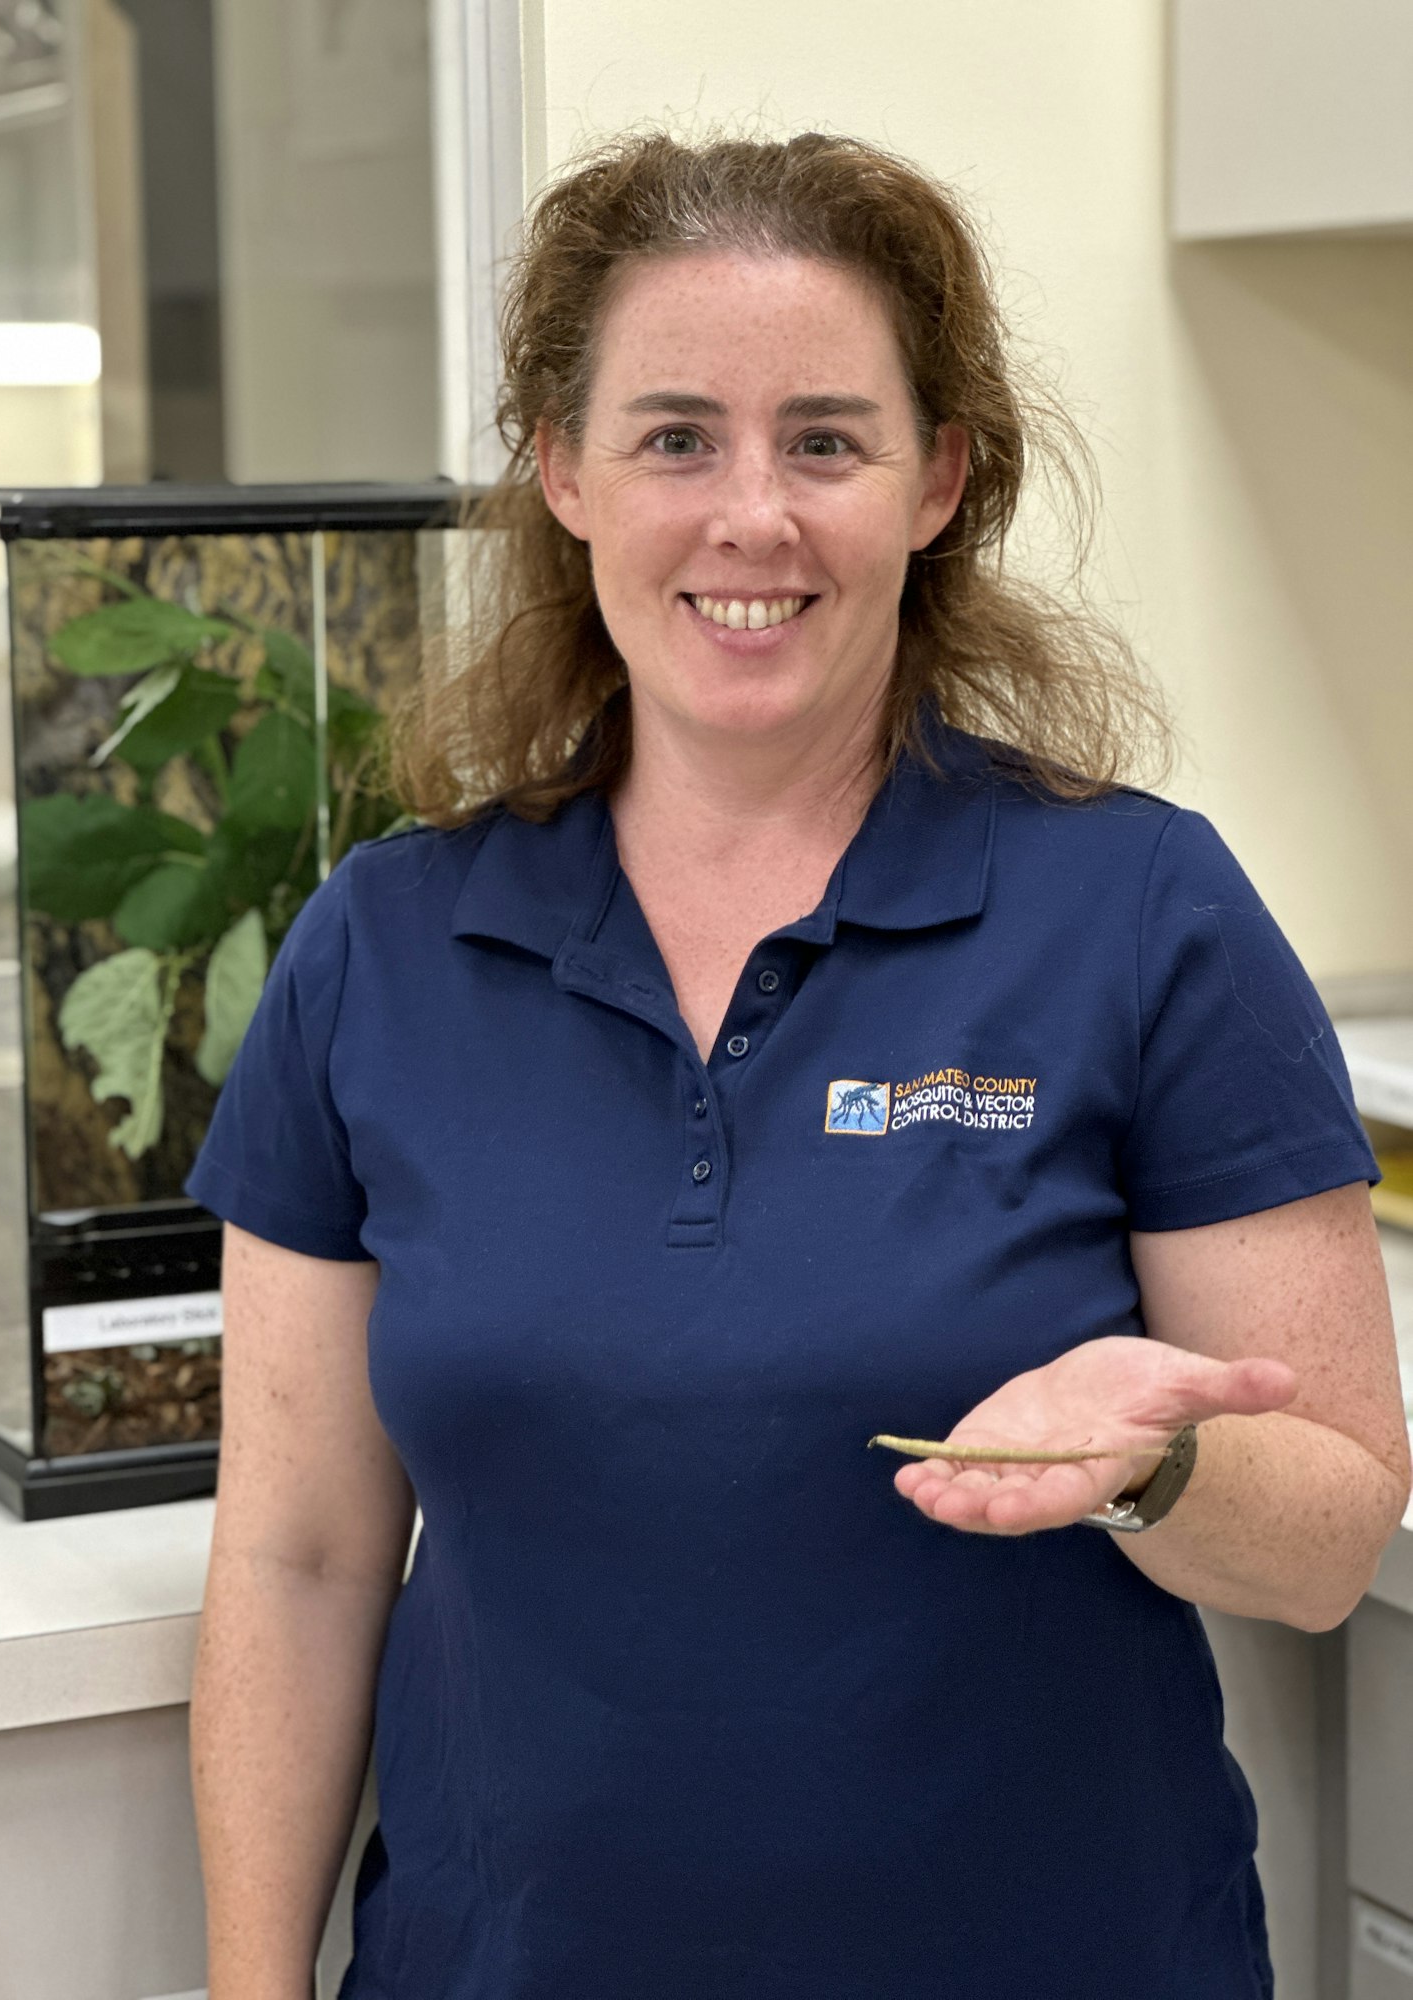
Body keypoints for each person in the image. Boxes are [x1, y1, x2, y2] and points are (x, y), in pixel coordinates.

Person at [184, 130, 1412, 2000]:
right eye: (676, 435)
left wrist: (1153, 1470)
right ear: (563, 472)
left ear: (937, 480)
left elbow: (1330, 1537)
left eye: (823, 440)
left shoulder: (1141, 909)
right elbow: (295, 1560)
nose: (748, 514)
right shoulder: (386, 946)